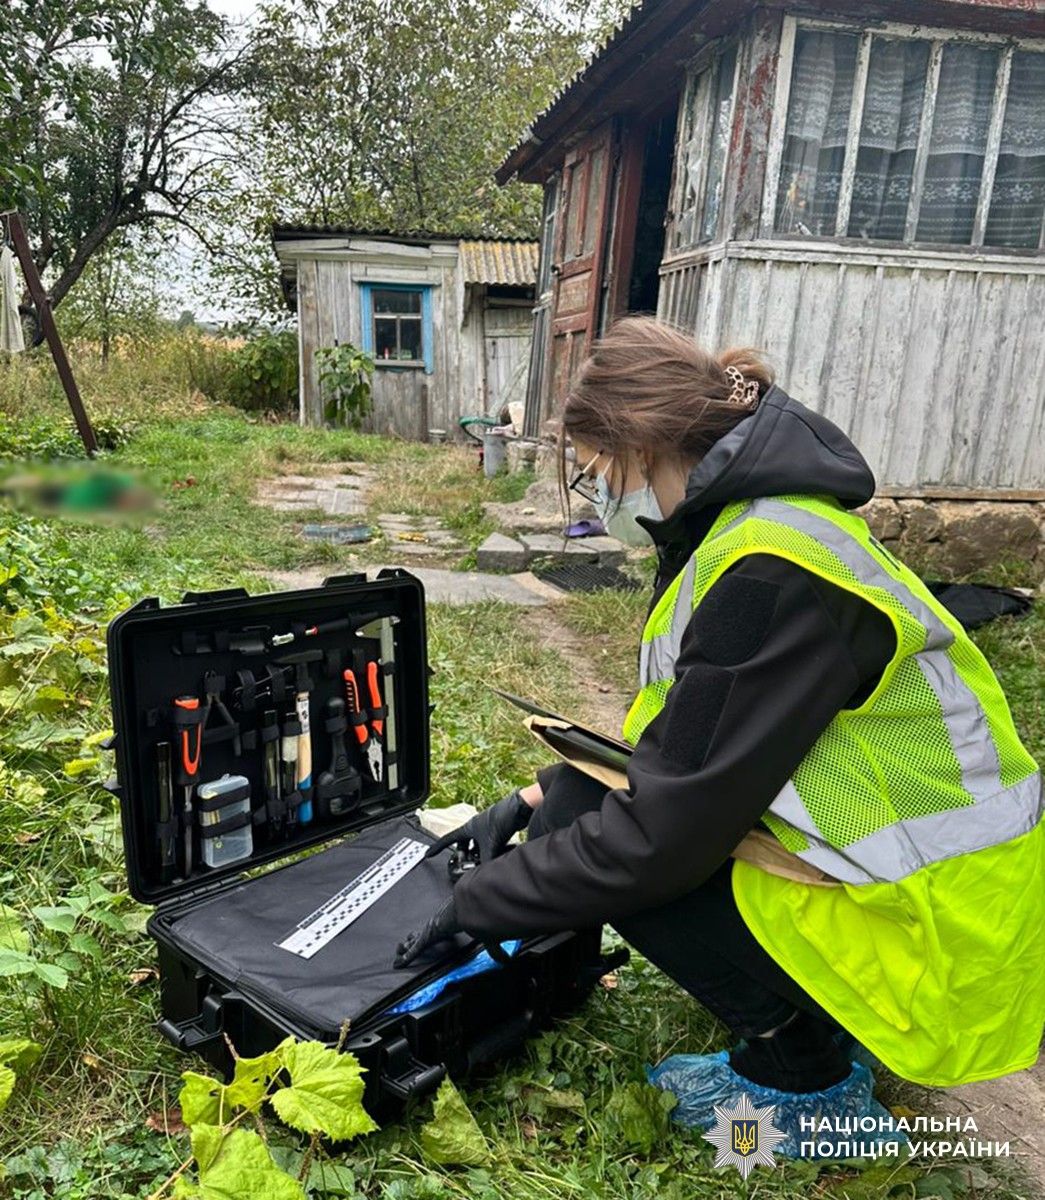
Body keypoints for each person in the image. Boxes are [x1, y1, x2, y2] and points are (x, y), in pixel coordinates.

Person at [394, 316, 1045, 1143]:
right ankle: (802, 1022)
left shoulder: (767, 573)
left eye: (597, 473)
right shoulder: (763, 528)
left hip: (935, 938)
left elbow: (660, 839)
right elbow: (692, 747)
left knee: (614, 854)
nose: (602, 497)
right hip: (914, 889)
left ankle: (803, 1080)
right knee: (573, 817)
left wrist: (477, 904)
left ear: (642, 447)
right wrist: (529, 798)